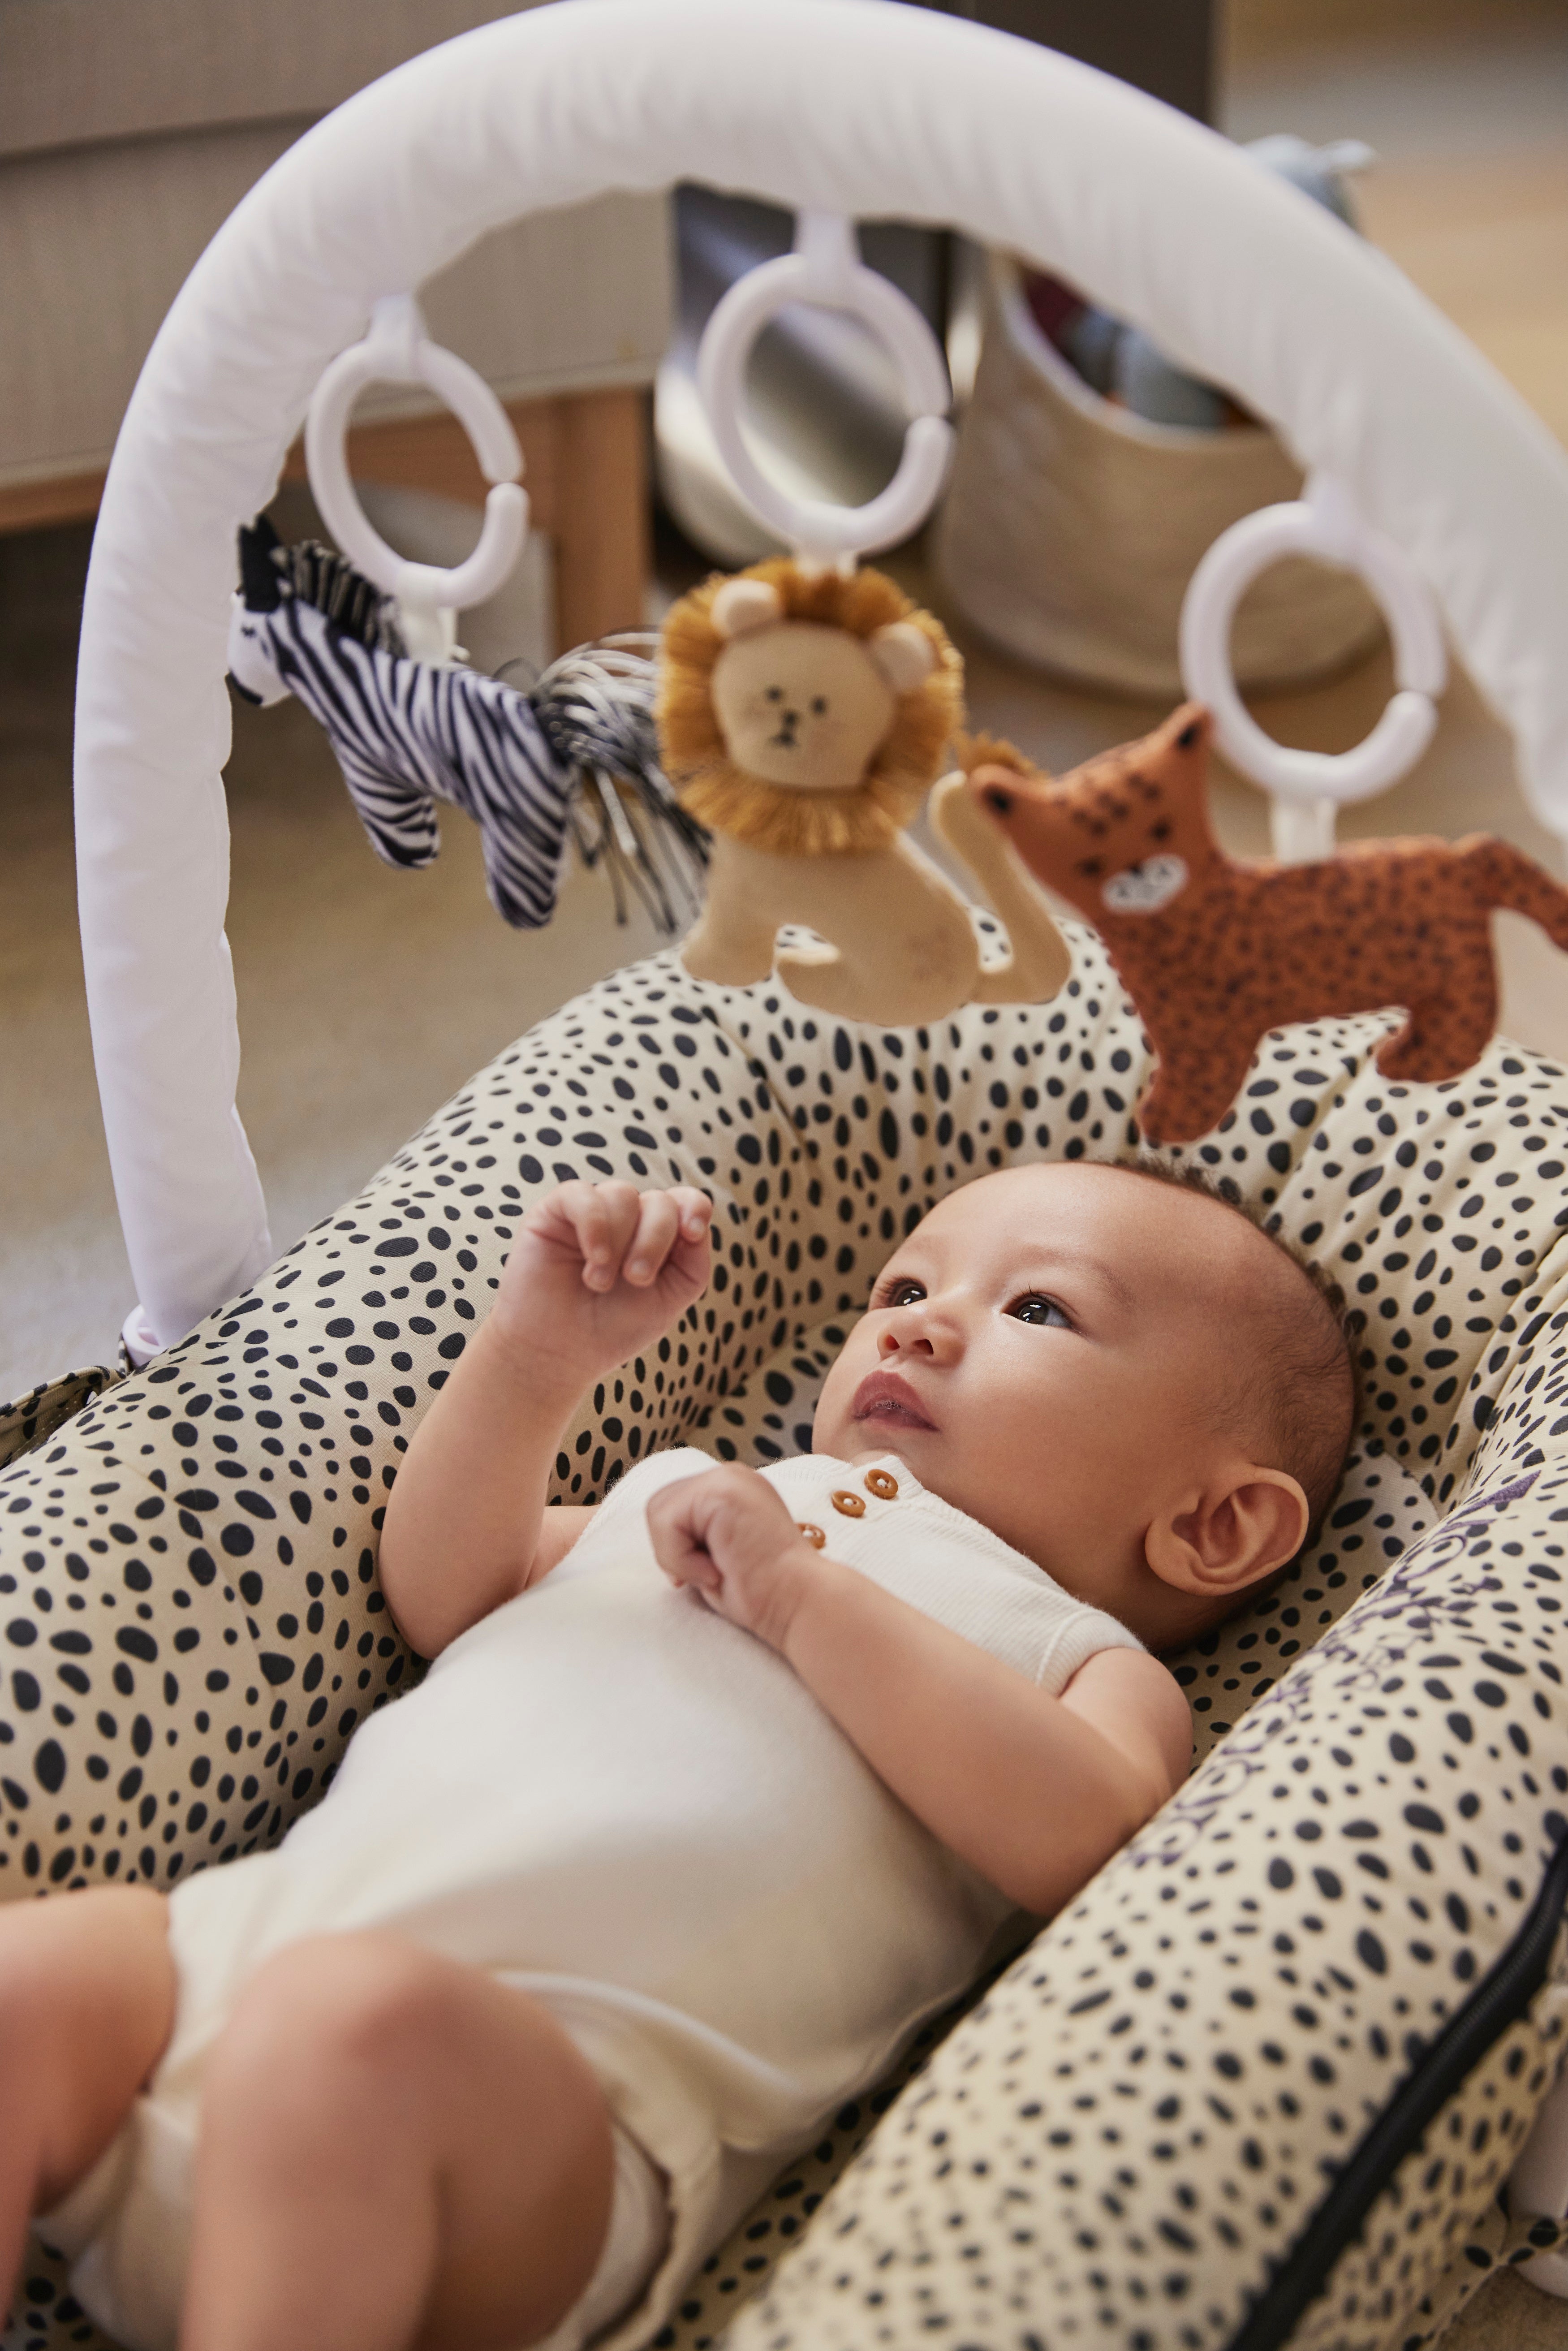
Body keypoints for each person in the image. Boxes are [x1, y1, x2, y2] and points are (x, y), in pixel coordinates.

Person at [1, 1160, 1355, 2351]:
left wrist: (797, 1597)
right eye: (904, 1282)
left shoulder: (1074, 1658)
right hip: (218, 1983)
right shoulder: (683, 1493)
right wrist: (531, 1363)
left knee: (344, 2032)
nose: (917, 1320)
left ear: (1213, 1527)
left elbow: (1090, 1840)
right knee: (33, 1974)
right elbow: (443, 1591)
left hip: (533, 2135)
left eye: (1038, 1309)